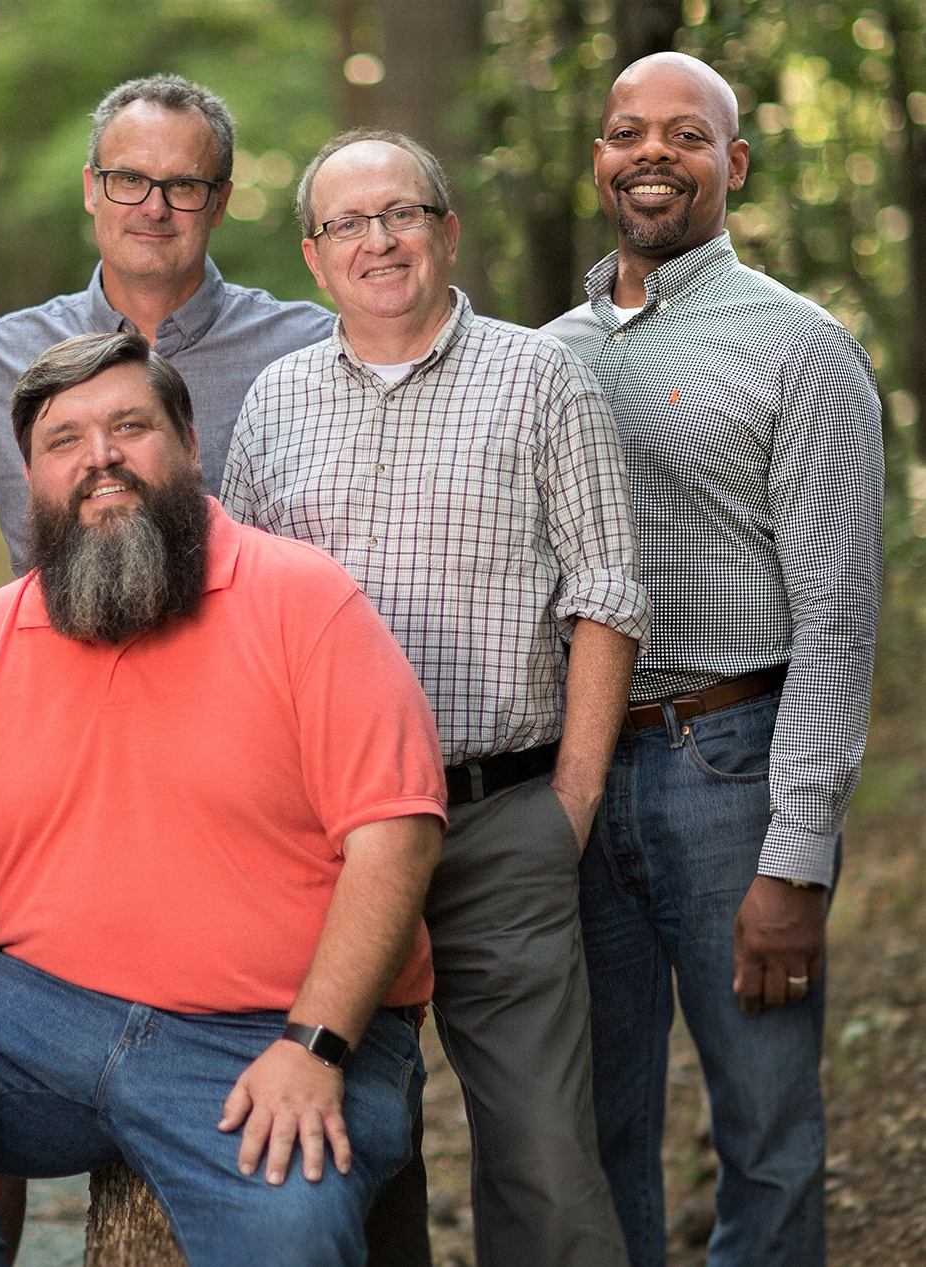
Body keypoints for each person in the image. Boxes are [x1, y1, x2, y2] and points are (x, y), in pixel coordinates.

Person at [0, 331, 449, 1267]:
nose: (99, 456)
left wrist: (315, 1045)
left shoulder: (305, 602)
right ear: (28, 481)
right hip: (50, 1025)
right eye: (63, 440)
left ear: (189, 443)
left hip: (269, 1036)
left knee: (290, 1238)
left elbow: (396, 839)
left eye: (129, 426)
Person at [223, 130, 649, 1267]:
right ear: (315, 258)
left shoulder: (541, 377)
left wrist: (570, 799)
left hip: (501, 819)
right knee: (352, 1144)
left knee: (545, 1160)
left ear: (445, 230)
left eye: (401, 213)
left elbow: (607, 592)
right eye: (347, 223)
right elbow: (243, 623)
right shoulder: (274, 404)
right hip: (331, 843)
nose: (378, 240)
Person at [544, 53, 884, 1267]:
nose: (650, 154)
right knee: (593, 1130)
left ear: (732, 165)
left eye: (685, 136)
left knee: (767, 1131)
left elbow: (839, 618)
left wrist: (797, 854)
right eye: (625, 131)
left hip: (729, 772)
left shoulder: (800, 348)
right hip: (572, 779)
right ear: (597, 157)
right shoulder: (542, 356)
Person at [0, 73, 333, 572]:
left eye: (183, 185)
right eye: (129, 180)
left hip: (260, 649)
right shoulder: (4, 356)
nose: (155, 208)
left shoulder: (311, 350)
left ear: (219, 203)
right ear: (93, 189)